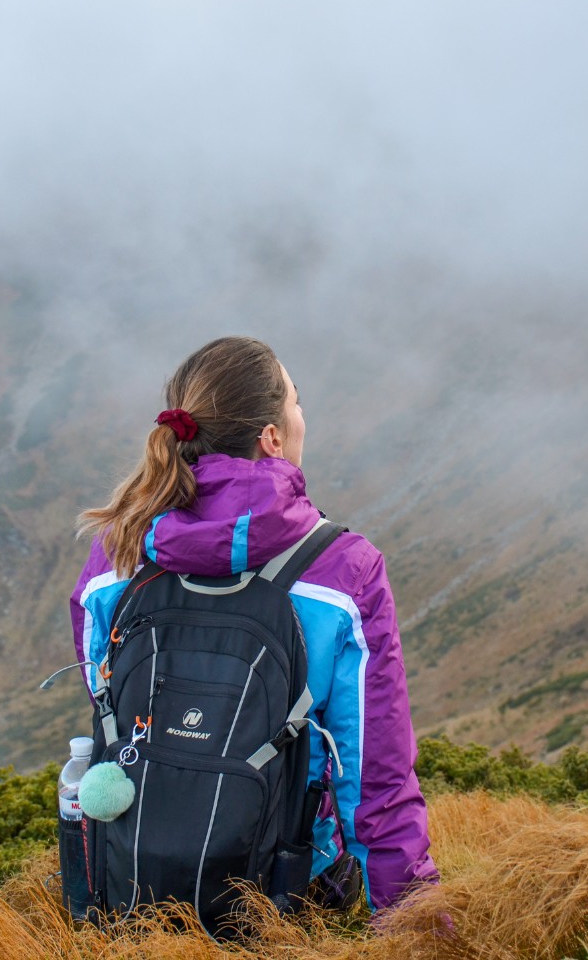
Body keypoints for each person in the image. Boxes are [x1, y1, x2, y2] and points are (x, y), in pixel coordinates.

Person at [69, 336, 438, 914]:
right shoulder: (344, 570)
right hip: (283, 892)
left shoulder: (114, 554)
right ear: (272, 436)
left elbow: (106, 699)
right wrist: (415, 924)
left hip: (129, 876)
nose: (301, 418)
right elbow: (375, 779)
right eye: (296, 403)